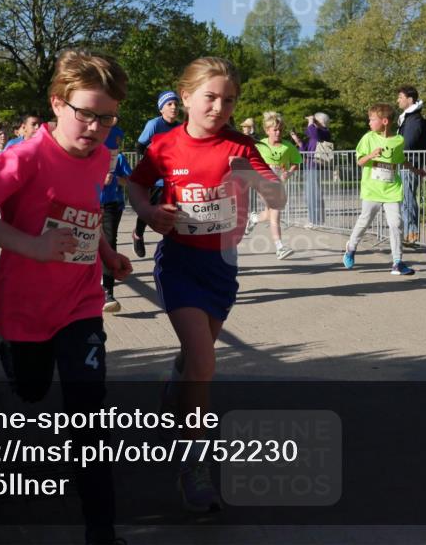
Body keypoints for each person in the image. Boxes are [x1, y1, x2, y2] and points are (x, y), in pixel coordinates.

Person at [0, 50, 132, 545]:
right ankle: (12, 352)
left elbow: (85, 213)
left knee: (88, 410)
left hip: (80, 303)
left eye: (108, 117)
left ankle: (101, 529)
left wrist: (106, 254)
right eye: (86, 113)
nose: (97, 127)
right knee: (32, 391)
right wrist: (32, 246)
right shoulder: (24, 157)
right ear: (57, 104)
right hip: (26, 306)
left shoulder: (100, 157)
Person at [128, 57, 284, 512]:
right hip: (178, 263)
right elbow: (135, 187)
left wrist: (252, 176)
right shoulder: (164, 145)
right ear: (186, 97)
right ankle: (193, 467)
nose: (219, 107)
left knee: (195, 364)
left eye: (229, 100)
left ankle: (176, 380)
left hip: (222, 266)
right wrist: (150, 213)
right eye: (210, 97)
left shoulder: (241, 144)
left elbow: (277, 195)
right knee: (205, 361)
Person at [342, 103, 425, 276]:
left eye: (372, 119)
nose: (369, 122)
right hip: (372, 189)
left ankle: (397, 262)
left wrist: (415, 170)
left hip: (392, 189)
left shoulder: (398, 140)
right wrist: (371, 155)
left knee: (396, 224)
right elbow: (360, 161)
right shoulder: (368, 138)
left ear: (385, 121)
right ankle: (350, 248)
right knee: (364, 221)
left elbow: (400, 159)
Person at [131, 90, 181, 257]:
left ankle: (172, 247)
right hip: (157, 177)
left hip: (174, 176)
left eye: (176, 104)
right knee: (149, 210)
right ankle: (138, 234)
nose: (174, 107)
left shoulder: (180, 127)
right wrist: (152, 164)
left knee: (173, 212)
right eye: (170, 104)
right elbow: (139, 146)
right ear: (161, 109)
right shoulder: (154, 125)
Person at [246, 111, 301, 260]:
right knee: (275, 212)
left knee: (270, 213)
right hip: (262, 183)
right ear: (267, 130)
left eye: (280, 130)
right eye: (274, 129)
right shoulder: (260, 145)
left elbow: (296, 162)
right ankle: (280, 247)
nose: (278, 132)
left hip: (278, 184)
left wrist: (288, 173)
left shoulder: (288, 146)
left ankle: (254, 219)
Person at [101, 135, 132, 314]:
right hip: (90, 204)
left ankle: (108, 293)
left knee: (109, 244)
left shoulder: (119, 158)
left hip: (112, 206)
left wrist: (116, 179)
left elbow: (129, 181)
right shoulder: (88, 155)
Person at [397, 86, 426, 245]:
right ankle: (409, 233)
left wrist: (395, 150)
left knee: (408, 199)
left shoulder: (414, 119)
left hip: (411, 164)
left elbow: (408, 144)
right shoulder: (408, 118)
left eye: (400, 97)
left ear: (410, 100)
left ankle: (412, 234)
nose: (398, 100)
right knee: (405, 198)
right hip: (406, 163)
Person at [291, 112, 332, 227]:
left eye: (315, 121)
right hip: (310, 167)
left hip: (316, 167)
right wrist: (297, 141)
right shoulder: (317, 135)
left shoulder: (324, 132)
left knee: (314, 194)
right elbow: (306, 149)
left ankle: (315, 221)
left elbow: (313, 133)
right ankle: (315, 220)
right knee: (310, 194)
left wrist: (310, 120)